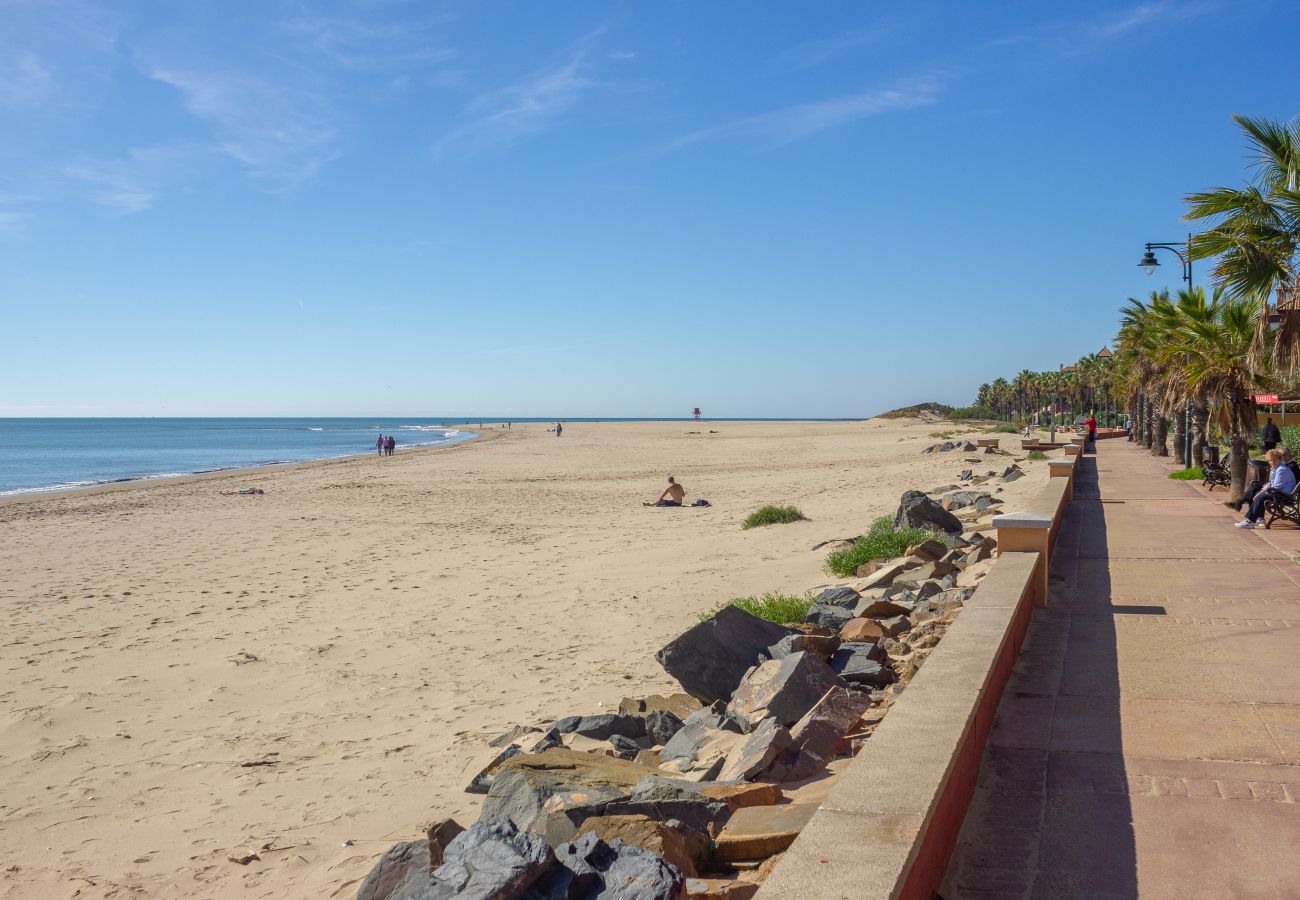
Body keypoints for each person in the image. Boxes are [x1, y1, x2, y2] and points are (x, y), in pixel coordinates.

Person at [1236, 448, 1297, 528]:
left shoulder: (1282, 470)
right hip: (1279, 493)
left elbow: (1275, 487)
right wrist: (1261, 490)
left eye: (1274, 460)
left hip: (1285, 496)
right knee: (1257, 491)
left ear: (1279, 459)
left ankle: (1250, 521)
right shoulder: (1276, 469)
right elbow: (1271, 483)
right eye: (1270, 460)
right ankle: (1257, 519)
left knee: (1261, 496)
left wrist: (1261, 493)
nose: (1272, 462)